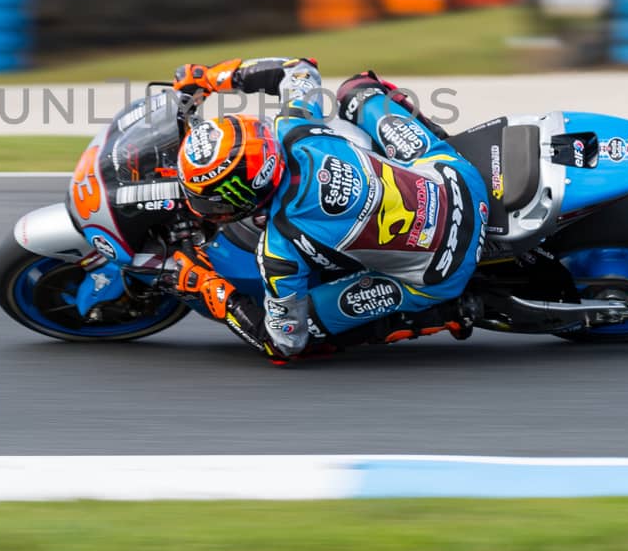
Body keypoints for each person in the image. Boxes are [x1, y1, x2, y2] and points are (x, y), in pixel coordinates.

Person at [166, 57, 490, 363]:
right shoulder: (295, 125)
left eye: (210, 199)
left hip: (444, 271)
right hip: (460, 180)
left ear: (240, 196)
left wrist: (217, 293)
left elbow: (284, 342)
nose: (205, 206)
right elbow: (299, 68)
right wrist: (215, 77)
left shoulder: (279, 249)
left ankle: (446, 313)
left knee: (306, 332)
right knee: (357, 90)